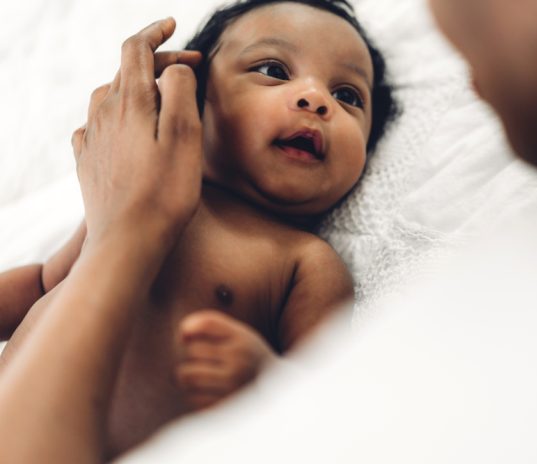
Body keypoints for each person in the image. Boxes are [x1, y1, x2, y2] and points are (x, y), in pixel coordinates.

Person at [0, 0, 395, 460]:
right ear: (190, 97)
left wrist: (262, 375)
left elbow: (322, 394)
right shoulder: (125, 193)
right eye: (273, 69)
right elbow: (45, 282)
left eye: (349, 96)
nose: (316, 99)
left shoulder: (305, 262)